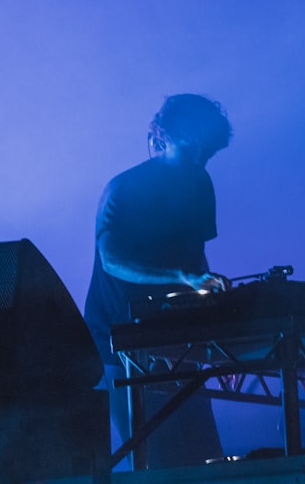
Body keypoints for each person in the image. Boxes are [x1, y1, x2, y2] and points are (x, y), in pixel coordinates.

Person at [83, 93, 233, 469]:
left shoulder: (200, 184)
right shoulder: (125, 189)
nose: (200, 160)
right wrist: (182, 277)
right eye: (193, 150)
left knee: (203, 458)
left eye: (208, 153)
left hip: (174, 336)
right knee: (157, 459)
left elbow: (194, 254)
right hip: (120, 338)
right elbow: (112, 260)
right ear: (166, 136)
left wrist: (208, 294)